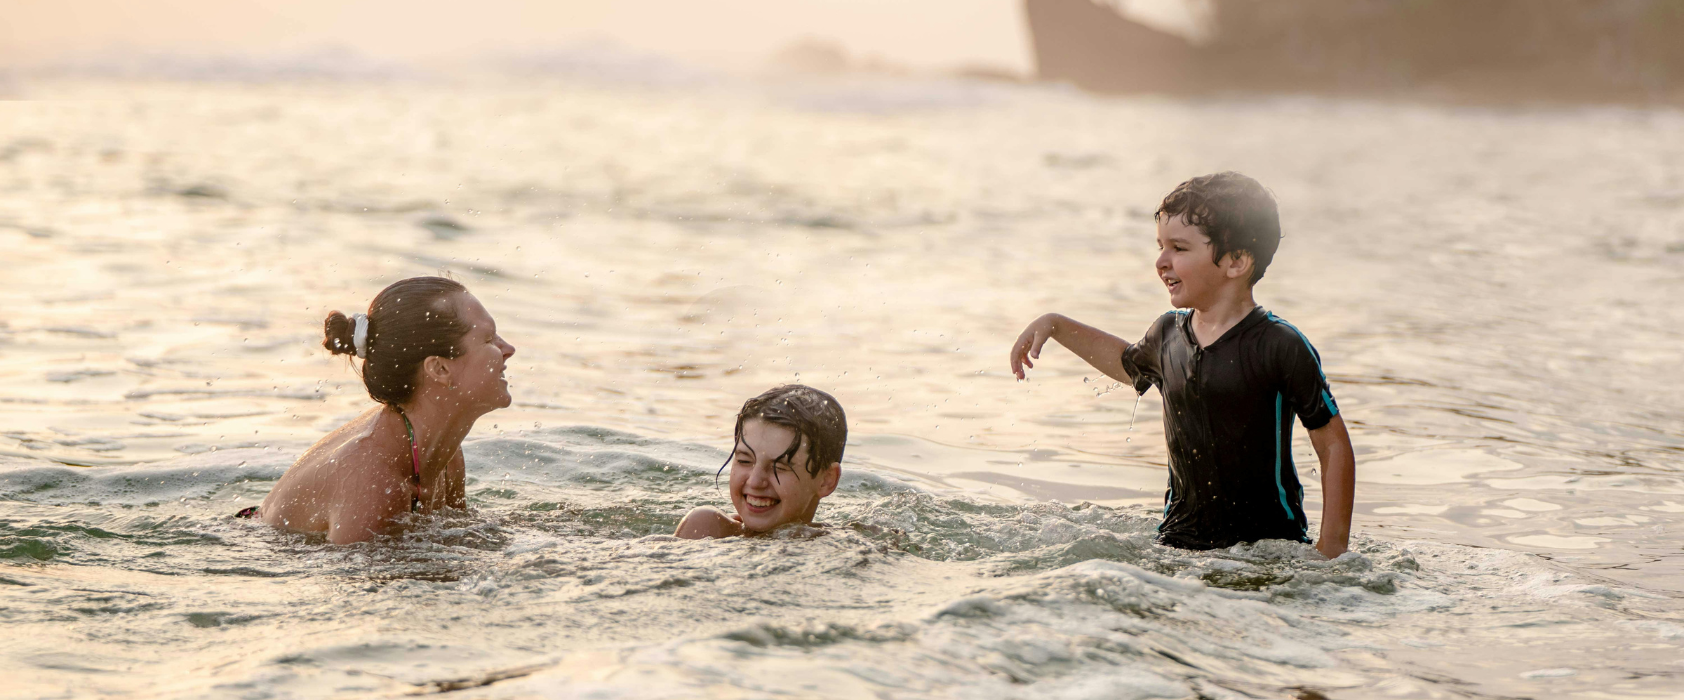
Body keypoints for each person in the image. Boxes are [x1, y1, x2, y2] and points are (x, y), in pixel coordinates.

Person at [1007, 172, 1356, 558]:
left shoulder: (1279, 345)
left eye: (1179, 248)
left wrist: (1332, 547)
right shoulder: (1167, 334)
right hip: (1176, 544)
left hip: (1267, 550)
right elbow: (1127, 364)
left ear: (1236, 261)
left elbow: (1333, 443)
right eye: (1161, 246)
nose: (1161, 261)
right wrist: (1057, 325)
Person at [241, 276, 516, 544]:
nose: (508, 349)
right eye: (490, 339)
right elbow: (355, 583)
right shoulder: (373, 479)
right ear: (439, 368)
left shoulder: (445, 451)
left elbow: (458, 538)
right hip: (255, 551)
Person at [675, 385, 847, 539]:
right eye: (744, 460)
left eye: (779, 467)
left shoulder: (841, 547)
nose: (755, 481)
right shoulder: (708, 528)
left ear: (826, 480)